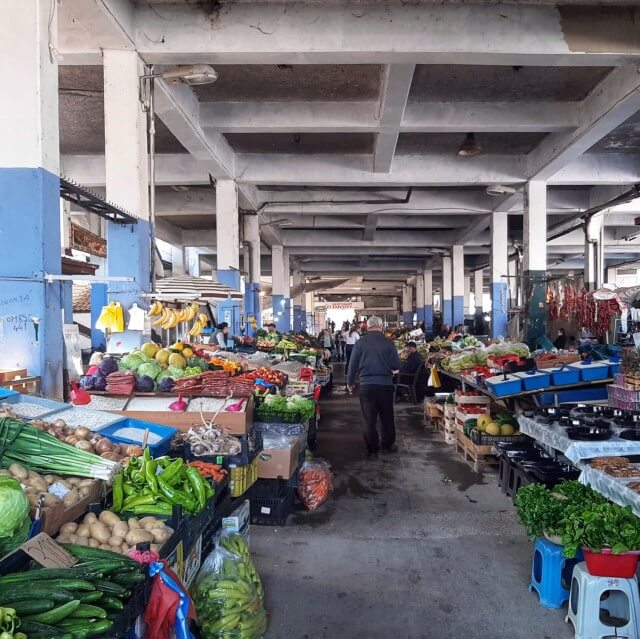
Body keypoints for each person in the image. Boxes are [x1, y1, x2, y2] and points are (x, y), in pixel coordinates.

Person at [347, 316, 401, 457]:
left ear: (367, 326)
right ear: (381, 326)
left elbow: (352, 365)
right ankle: (387, 446)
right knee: (387, 417)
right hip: (386, 386)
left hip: (367, 386)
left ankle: (372, 447)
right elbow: (396, 365)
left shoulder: (360, 343)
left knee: (368, 419)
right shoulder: (389, 343)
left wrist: (350, 382)